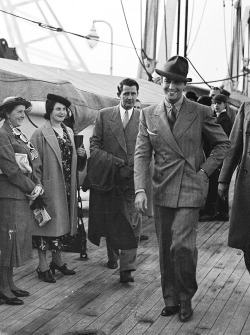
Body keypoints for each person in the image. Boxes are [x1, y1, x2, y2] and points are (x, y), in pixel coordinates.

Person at [134, 55, 230, 322]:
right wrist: (140, 189)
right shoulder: (147, 114)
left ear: (183, 85)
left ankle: (186, 297)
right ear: (161, 82)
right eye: (167, 81)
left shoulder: (200, 112)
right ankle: (171, 299)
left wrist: (204, 171)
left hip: (190, 186)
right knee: (165, 248)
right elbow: (141, 155)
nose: (171, 87)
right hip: (161, 188)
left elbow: (223, 145)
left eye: (177, 82)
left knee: (182, 246)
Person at [88, 78, 142, 283]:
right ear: (119, 94)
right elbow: (95, 146)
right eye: (126, 93)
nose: (129, 97)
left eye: (133, 94)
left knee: (132, 221)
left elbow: (148, 149)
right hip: (110, 177)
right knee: (112, 220)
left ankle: (127, 268)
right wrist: (114, 162)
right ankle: (113, 256)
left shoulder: (143, 118)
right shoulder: (104, 115)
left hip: (133, 179)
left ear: (137, 95)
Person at [31, 93, 86, 283]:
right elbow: (33, 164)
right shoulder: (40, 133)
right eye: (58, 109)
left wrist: (81, 155)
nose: (62, 112)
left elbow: (75, 163)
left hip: (67, 187)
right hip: (49, 187)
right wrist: (37, 187)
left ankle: (57, 261)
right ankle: (42, 265)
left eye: (64, 109)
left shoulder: (69, 132)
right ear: (50, 111)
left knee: (61, 226)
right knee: (45, 227)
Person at [0, 97, 43, 305]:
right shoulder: (2, 134)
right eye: (19, 112)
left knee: (13, 240)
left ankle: (9, 284)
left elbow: (32, 160)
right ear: (7, 113)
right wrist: (32, 187)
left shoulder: (16, 134)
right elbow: (10, 169)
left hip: (18, 195)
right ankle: (3, 288)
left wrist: (37, 184)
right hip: (9, 195)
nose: (22, 116)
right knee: (7, 242)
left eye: (24, 112)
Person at [218, 101, 250, 273]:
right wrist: (223, 179)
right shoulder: (246, 107)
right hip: (248, 186)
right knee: (248, 241)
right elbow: (234, 145)